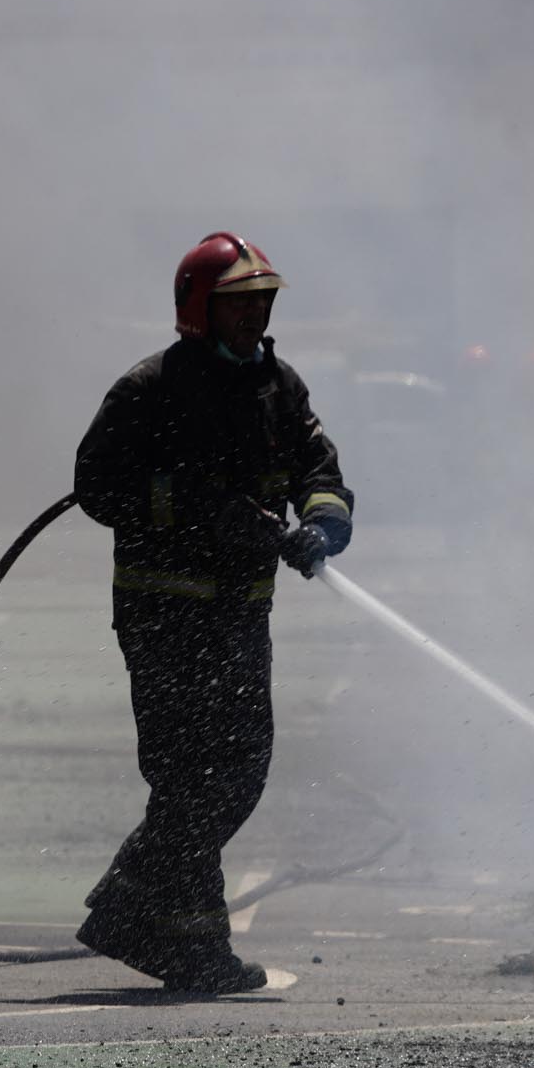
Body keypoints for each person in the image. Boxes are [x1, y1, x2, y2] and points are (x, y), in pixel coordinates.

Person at [72, 231, 354, 993]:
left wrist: (322, 524)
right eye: (239, 304)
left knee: (239, 773)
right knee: (187, 778)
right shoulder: (150, 389)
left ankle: (131, 910)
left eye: (261, 303)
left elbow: (318, 470)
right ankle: (193, 950)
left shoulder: (279, 388)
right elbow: (98, 484)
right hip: (164, 616)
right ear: (200, 309)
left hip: (238, 618)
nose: (254, 317)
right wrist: (197, 510)